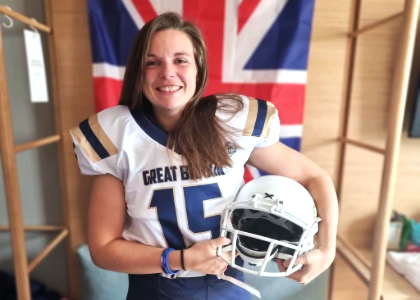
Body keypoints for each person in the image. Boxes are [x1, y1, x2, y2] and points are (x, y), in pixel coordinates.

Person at [70, 12, 338, 300]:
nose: (167, 72)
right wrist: (182, 260)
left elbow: (314, 177)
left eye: (180, 60)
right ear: (139, 72)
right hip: (156, 291)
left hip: (230, 287)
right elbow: (104, 249)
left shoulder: (230, 122)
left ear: (198, 69)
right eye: (153, 62)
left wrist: (327, 250)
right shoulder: (116, 136)